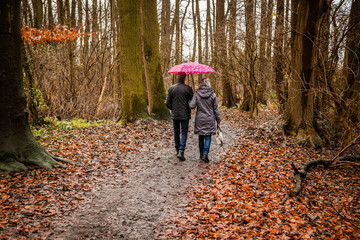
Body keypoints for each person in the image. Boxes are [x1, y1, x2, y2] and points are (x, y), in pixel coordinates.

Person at [189, 78, 221, 163]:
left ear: (201, 84)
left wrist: (190, 100)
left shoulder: (197, 93)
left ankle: (201, 154)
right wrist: (218, 120)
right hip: (210, 118)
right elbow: (216, 109)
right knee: (208, 136)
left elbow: (192, 106)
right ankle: (205, 154)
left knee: (201, 135)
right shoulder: (212, 94)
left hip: (200, 118)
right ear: (208, 84)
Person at [165, 72, 193, 161]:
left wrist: (172, 108)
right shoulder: (188, 89)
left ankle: (177, 149)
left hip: (175, 114)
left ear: (177, 77)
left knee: (176, 131)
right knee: (184, 132)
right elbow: (192, 102)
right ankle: (181, 150)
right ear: (184, 78)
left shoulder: (171, 88)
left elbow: (167, 103)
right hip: (185, 114)